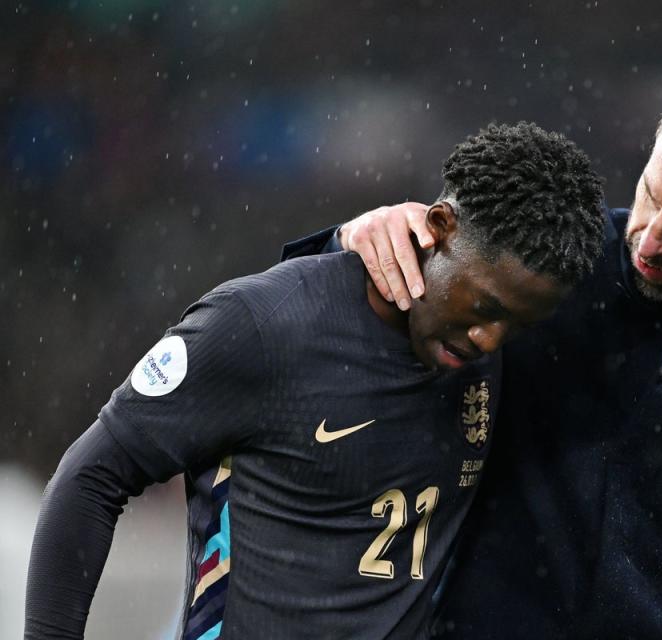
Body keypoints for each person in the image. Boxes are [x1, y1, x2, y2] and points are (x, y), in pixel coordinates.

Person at [282, 57, 662, 638]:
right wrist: (348, 243)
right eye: (650, 193)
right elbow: (325, 324)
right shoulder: (549, 266)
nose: (650, 239)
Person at [24, 122, 606, 640]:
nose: (489, 339)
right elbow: (91, 478)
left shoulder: (484, 353)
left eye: (516, 324)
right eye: (483, 305)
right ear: (439, 226)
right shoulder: (262, 326)